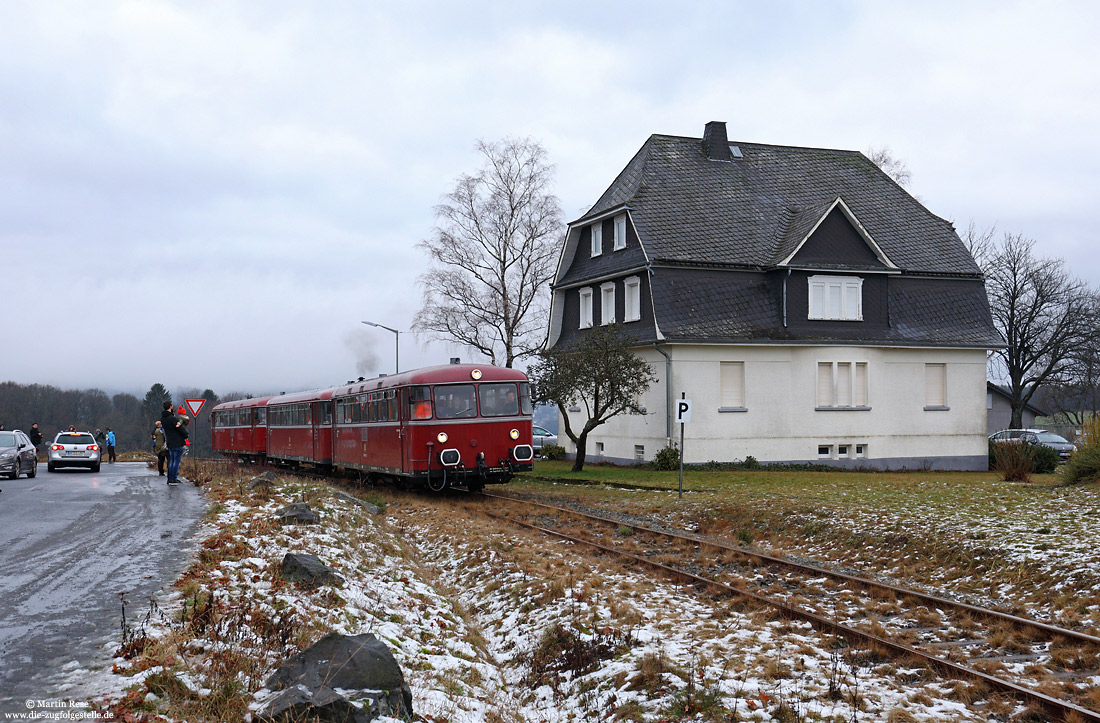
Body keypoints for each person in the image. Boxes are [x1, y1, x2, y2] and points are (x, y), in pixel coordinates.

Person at [161, 401, 188, 485]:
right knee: (176, 461)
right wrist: (185, 435)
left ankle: (170, 478)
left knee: (171, 460)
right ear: (170, 406)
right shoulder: (172, 418)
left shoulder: (163, 419)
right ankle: (173, 479)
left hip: (169, 441)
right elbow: (179, 428)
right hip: (176, 441)